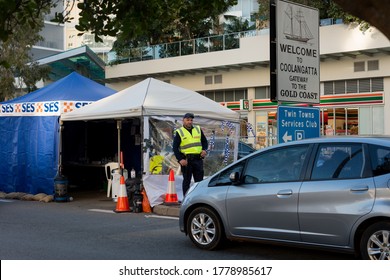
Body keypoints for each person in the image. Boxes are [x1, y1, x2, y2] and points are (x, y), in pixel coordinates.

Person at [173, 113, 208, 197]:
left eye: (191, 120)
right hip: (187, 160)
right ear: (183, 120)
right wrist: (180, 160)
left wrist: (204, 149)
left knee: (199, 181)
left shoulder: (198, 129)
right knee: (186, 181)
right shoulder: (179, 132)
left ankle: (199, 198)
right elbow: (175, 148)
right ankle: (186, 199)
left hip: (198, 159)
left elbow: (204, 141)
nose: (189, 122)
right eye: (187, 120)